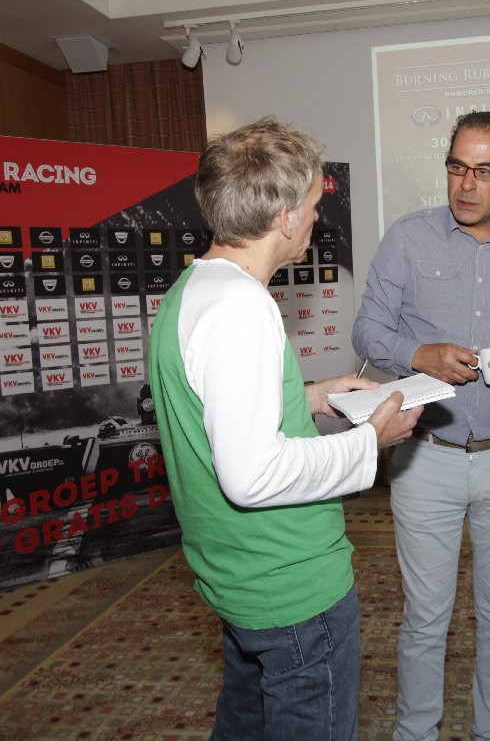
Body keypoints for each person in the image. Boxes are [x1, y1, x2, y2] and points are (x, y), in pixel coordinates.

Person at [148, 116, 422, 741]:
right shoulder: (243, 309)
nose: (318, 217)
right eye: (314, 205)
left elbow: (215, 410)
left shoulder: (196, 288)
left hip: (240, 575)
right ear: (286, 217)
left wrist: (314, 396)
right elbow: (251, 475)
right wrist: (369, 442)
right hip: (290, 584)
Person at [353, 111, 490, 741]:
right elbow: (367, 330)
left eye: (485, 171)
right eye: (457, 168)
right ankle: (416, 733)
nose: (467, 185)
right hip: (427, 458)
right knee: (425, 618)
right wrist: (418, 354)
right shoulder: (408, 237)